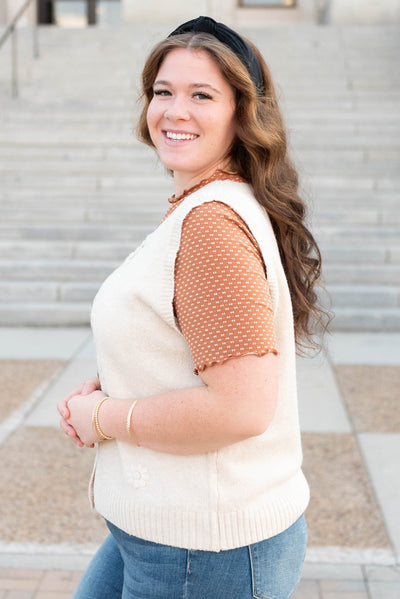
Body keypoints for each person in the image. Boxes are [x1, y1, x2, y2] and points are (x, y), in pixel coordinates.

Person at [59, 15, 329, 599]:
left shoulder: (211, 224)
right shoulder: (202, 203)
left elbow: (240, 409)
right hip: (160, 532)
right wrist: (115, 380)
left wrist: (105, 417)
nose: (174, 111)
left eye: (201, 95)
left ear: (242, 111)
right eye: (163, 91)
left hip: (204, 553)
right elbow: (187, 338)